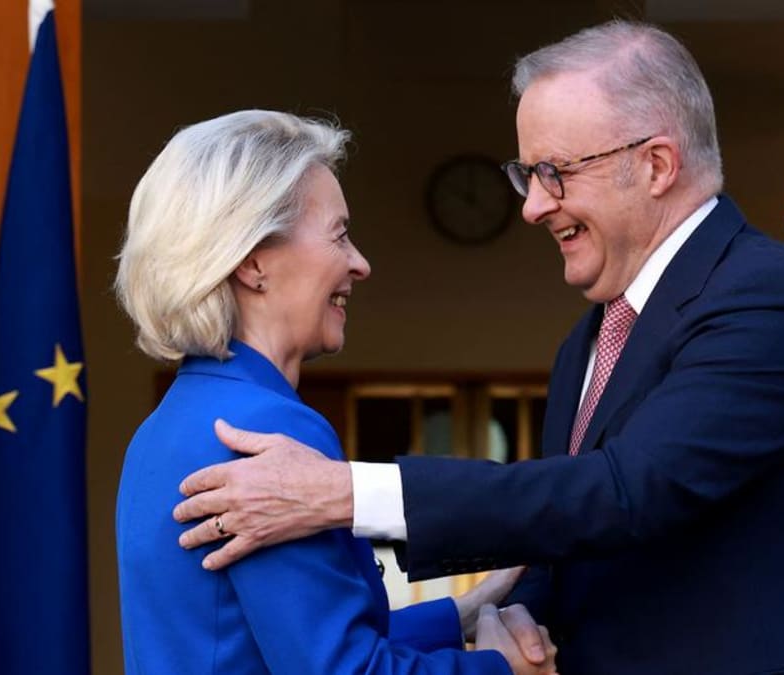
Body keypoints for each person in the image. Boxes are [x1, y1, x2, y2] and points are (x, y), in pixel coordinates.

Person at [172, 22, 784, 674]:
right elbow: (576, 544)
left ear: (656, 165)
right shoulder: (590, 340)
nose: (533, 205)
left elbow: (625, 491)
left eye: (554, 172)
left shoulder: (771, 301)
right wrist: (499, 616)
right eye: (527, 175)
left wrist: (346, 492)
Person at [113, 109, 558, 675]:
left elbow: (287, 638)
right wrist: (502, 669)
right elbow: (341, 668)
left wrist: (466, 612)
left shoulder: (165, 427)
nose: (360, 264)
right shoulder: (268, 429)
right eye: (340, 235)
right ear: (253, 263)